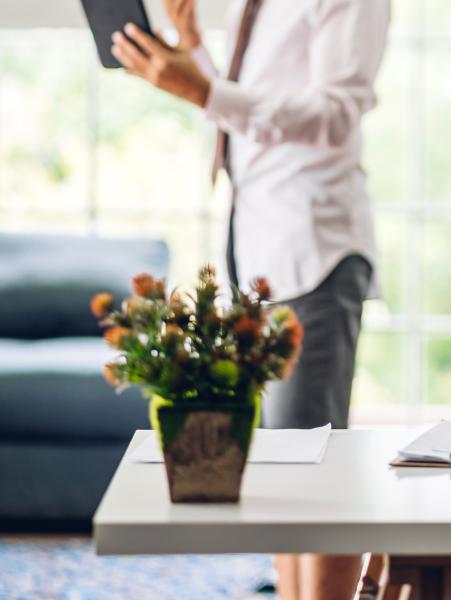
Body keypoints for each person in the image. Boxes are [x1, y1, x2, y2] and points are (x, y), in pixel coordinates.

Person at [110, 1, 389, 598]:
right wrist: (195, 54)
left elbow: (333, 115)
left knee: (316, 471)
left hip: (312, 252)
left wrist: (207, 90)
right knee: (283, 470)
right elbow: (246, 110)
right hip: (261, 247)